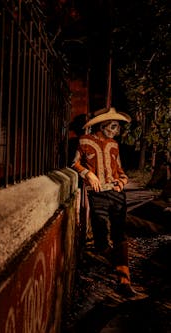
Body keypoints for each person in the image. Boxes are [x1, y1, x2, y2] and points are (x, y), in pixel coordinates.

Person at [71, 107, 138, 296]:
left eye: (117, 127)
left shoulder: (114, 145)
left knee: (119, 236)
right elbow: (74, 163)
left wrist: (122, 182)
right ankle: (119, 266)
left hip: (117, 195)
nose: (117, 131)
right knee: (101, 241)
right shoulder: (83, 141)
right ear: (103, 124)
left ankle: (124, 281)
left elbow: (121, 171)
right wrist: (88, 174)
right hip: (97, 195)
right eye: (114, 126)